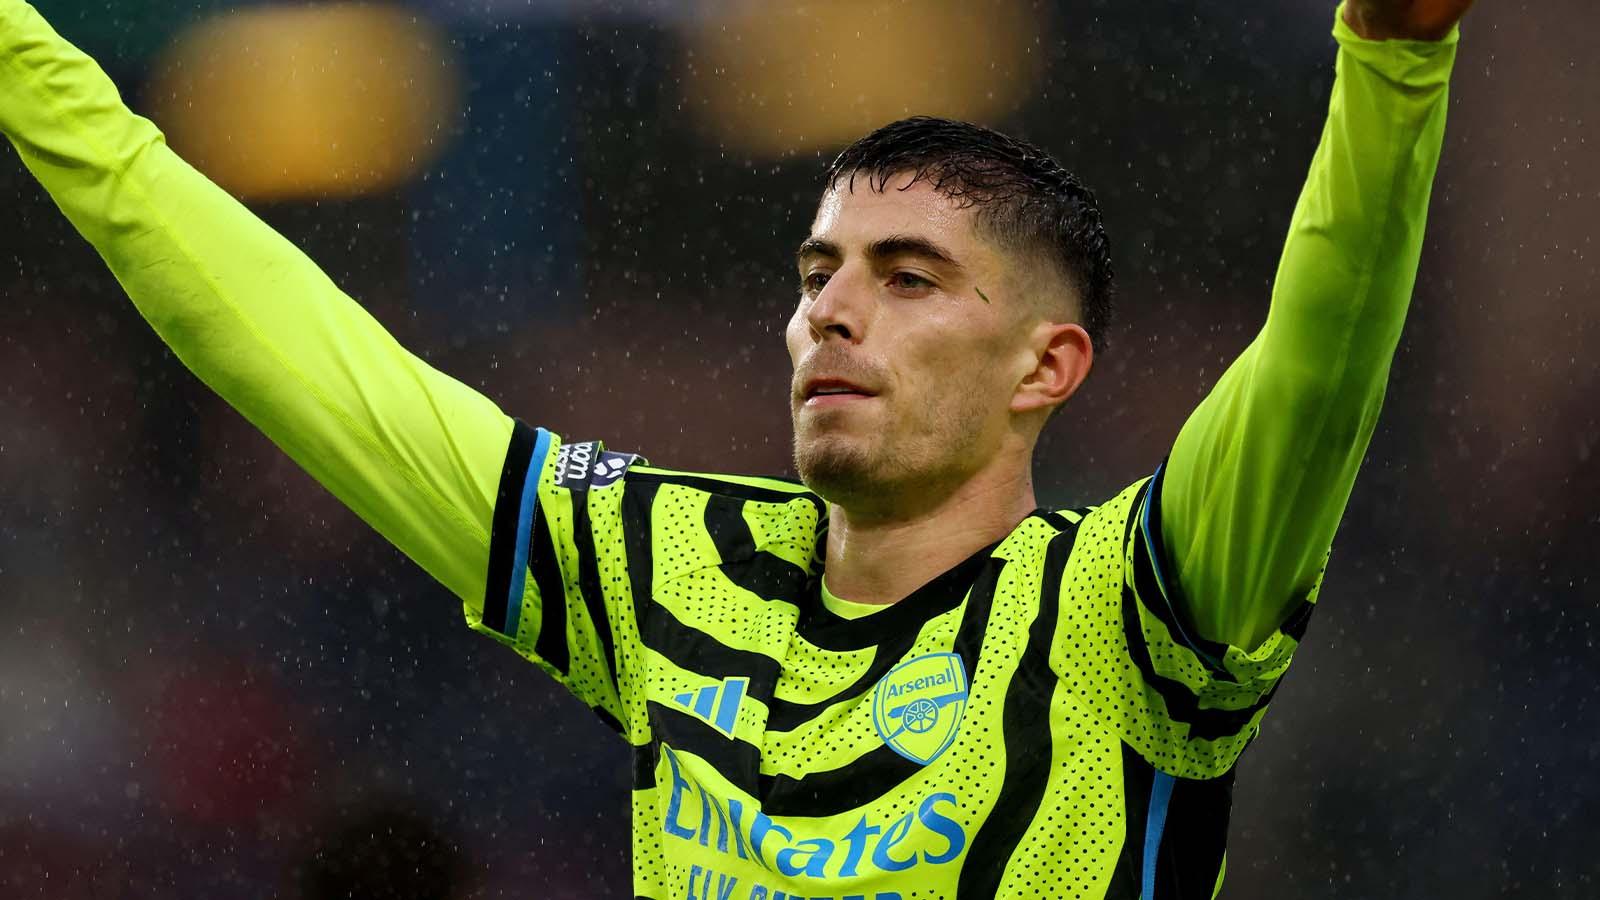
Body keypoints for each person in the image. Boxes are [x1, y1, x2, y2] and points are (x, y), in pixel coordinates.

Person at [0, 0, 1475, 896]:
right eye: (817, 275)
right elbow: (288, 345)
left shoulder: (1141, 609)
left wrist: (1393, 71)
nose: (832, 314)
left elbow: (1321, 351)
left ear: (1050, 366)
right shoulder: (663, 566)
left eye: (907, 279)